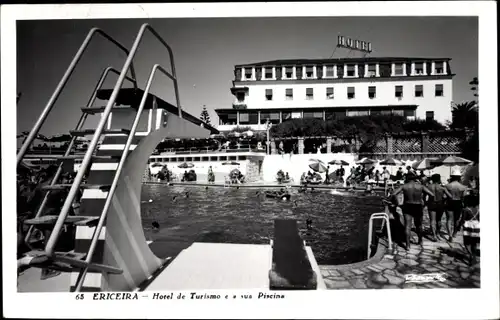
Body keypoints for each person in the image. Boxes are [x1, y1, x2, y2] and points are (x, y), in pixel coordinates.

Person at [392, 172, 434, 250]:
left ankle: (407, 246)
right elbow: (432, 195)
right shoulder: (421, 186)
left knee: (408, 226)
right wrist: (426, 203)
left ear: (407, 179)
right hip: (418, 206)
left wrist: (398, 203)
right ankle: (420, 241)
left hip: (407, 205)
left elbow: (394, 193)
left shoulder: (404, 186)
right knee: (419, 225)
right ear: (415, 179)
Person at [426, 174, 453, 241]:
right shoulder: (442, 188)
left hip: (431, 203)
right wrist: (444, 199)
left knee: (432, 220)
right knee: (439, 220)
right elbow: (450, 196)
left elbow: (423, 196)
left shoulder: (428, 187)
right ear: (439, 179)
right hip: (440, 204)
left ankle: (434, 236)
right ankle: (437, 233)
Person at [445, 169, 468, 241]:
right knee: (456, 219)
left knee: (449, 219)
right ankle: (454, 233)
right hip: (458, 203)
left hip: (450, 202)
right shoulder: (463, 187)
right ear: (459, 177)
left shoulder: (447, 186)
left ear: (452, 177)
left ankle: (450, 235)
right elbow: (464, 197)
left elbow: (445, 196)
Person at [460, 193, 480, 265]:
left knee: (466, 243)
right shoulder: (478, 209)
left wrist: (459, 225)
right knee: (474, 243)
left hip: (468, 227)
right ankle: (474, 256)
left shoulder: (465, 209)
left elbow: (463, 219)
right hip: (476, 227)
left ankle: (470, 254)